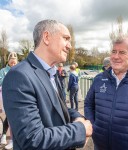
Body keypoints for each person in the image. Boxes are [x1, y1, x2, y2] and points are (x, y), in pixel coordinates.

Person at [2, 19, 92, 150]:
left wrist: (78, 118)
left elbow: (60, 110)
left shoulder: (51, 73)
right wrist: (79, 130)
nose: (70, 46)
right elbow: (33, 139)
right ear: (46, 37)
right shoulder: (19, 76)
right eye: (66, 38)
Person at [84, 34, 128, 150]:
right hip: (100, 146)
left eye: (122, 52)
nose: (115, 56)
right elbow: (88, 104)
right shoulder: (99, 79)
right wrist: (94, 127)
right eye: (113, 51)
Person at [0, 51, 18, 150]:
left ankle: (9, 138)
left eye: (15, 61)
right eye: (11, 61)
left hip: (17, 97)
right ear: (8, 61)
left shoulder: (20, 69)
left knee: (12, 118)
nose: (13, 63)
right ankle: (6, 137)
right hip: (6, 96)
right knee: (10, 117)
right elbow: (0, 82)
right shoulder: (3, 71)